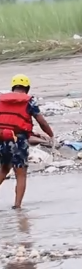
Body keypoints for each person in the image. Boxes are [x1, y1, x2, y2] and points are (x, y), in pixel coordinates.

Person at [0, 74, 54, 209]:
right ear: (27, 87)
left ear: (13, 87)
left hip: (2, 138)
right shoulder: (29, 101)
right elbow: (41, 121)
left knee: (3, 169)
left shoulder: (1, 99)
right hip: (18, 140)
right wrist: (50, 134)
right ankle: (17, 206)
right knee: (20, 173)